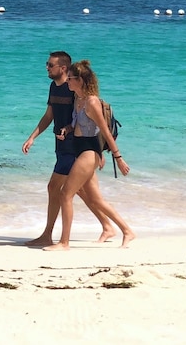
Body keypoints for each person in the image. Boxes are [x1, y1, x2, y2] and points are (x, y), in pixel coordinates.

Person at [22, 51, 114, 246]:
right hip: (61, 145)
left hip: (75, 146)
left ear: (62, 68)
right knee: (81, 191)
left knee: (55, 187)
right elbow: (49, 116)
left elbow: (93, 119)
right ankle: (109, 226)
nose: (47, 67)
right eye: (47, 64)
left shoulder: (73, 87)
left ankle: (50, 236)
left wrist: (99, 150)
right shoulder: (53, 88)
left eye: (50, 65)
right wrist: (32, 137)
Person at [44, 60, 134, 251]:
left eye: (71, 79)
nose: (68, 81)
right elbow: (77, 125)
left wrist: (118, 158)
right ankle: (127, 231)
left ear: (81, 80)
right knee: (95, 199)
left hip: (89, 152)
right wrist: (67, 129)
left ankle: (64, 243)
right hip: (79, 150)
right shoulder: (78, 99)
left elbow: (105, 131)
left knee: (65, 194)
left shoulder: (92, 102)